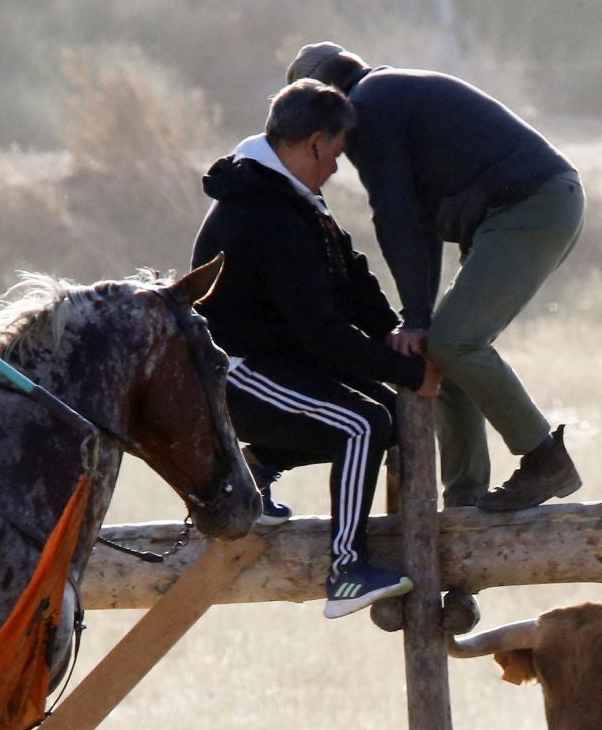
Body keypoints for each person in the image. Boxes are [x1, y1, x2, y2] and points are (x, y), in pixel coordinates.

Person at [285, 42, 582, 512]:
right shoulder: (387, 94)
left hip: (528, 205)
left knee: (454, 341)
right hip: (530, 204)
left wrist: (418, 318)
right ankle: (466, 502)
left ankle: (544, 457)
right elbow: (416, 223)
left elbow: (395, 216)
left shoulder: (367, 109)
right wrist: (417, 318)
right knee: (443, 348)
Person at [192, 79, 441, 618]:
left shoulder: (298, 200)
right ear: (313, 143)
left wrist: (397, 333)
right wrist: (403, 369)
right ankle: (346, 570)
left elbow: (350, 278)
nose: (335, 168)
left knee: (389, 418)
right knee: (362, 424)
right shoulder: (264, 212)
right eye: (335, 154)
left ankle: (254, 467)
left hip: (279, 364)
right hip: (237, 372)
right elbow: (322, 334)